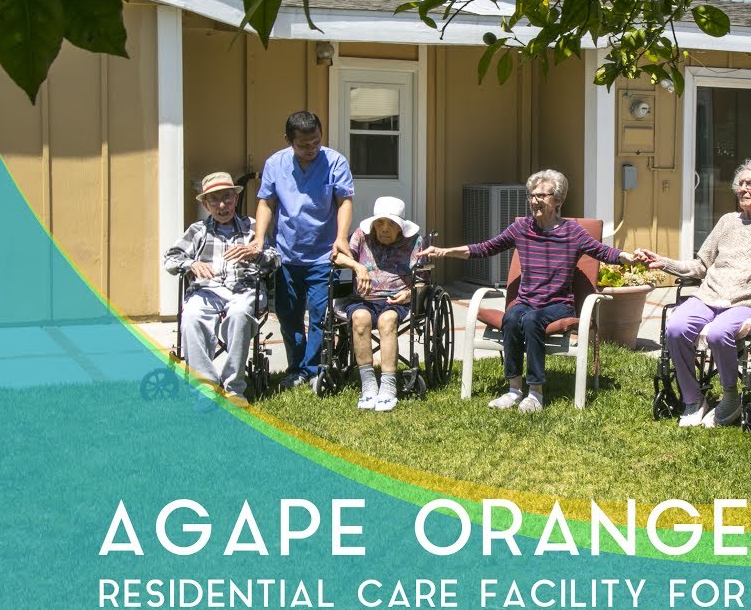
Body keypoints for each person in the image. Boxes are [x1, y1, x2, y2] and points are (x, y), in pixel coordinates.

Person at [419, 170, 637, 412]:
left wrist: (627, 257)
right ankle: (513, 389)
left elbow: (603, 252)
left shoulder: (572, 233)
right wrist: (444, 252)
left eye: (541, 196)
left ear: (558, 200)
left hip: (558, 305)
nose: (534, 201)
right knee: (512, 316)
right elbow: (484, 248)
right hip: (526, 301)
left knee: (532, 319)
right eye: (531, 195)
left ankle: (535, 392)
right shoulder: (522, 228)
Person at [636, 160, 751, 428]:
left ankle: (730, 398)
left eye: (750, 183)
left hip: (748, 302)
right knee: (676, 326)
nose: (742, 189)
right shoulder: (727, 221)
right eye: (739, 184)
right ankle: (693, 399)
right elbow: (700, 266)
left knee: (720, 333)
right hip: (709, 296)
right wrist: (664, 262)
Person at [241, 111, 355, 389]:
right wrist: (258, 239)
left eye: (315, 141)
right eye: (303, 144)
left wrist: (341, 238)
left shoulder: (335, 161)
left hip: (323, 254)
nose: (311, 149)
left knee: (319, 313)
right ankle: (297, 367)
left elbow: (344, 201)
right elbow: (266, 203)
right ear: (288, 140)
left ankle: (313, 369)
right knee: (288, 314)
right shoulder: (275, 164)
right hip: (286, 253)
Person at [163, 172, 281, 403]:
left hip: (245, 289)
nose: (222, 205)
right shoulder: (198, 231)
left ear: (236, 200)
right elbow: (170, 258)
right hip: (207, 290)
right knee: (192, 316)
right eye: (215, 200)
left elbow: (275, 260)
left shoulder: (252, 228)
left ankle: (234, 388)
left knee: (239, 315)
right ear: (206, 204)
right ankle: (205, 386)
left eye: (227, 198)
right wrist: (192, 263)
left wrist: (256, 253)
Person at [333, 197, 423, 412]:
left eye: (391, 224)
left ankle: (389, 387)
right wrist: (358, 267)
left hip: (396, 300)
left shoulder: (415, 242)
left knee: (387, 320)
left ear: (401, 227)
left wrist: (410, 294)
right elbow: (336, 257)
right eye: (380, 223)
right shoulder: (360, 236)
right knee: (359, 318)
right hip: (363, 300)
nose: (384, 229)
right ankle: (369, 385)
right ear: (373, 224)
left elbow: (424, 281)